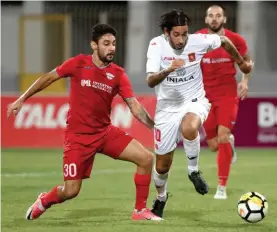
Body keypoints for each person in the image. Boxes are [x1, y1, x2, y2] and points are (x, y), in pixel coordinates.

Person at [7, 24, 163, 221]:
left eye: (114, 44)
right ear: (94, 45)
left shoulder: (118, 74)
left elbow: (134, 105)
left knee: (146, 158)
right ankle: (45, 200)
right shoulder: (78, 63)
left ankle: (140, 211)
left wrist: (153, 126)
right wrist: (21, 99)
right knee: (71, 191)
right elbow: (48, 78)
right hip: (78, 138)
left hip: (105, 133)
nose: (112, 48)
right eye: (106, 43)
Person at [145, 9, 253, 218]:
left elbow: (223, 41)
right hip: (167, 108)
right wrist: (168, 70)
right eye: (177, 34)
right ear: (166, 32)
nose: (182, 39)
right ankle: (161, 198)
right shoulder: (156, 45)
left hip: (195, 100)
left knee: (189, 127)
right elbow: (150, 80)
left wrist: (240, 63)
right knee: (161, 167)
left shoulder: (198, 40)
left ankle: (193, 171)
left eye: (185, 33)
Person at [197, 5, 253, 199]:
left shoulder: (235, 40)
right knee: (213, 145)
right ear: (206, 20)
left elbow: (247, 62)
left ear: (224, 19)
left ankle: (222, 187)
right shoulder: (197, 39)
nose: (214, 19)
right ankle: (230, 143)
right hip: (204, 97)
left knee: (222, 135)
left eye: (218, 15)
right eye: (210, 16)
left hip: (228, 94)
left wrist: (244, 82)